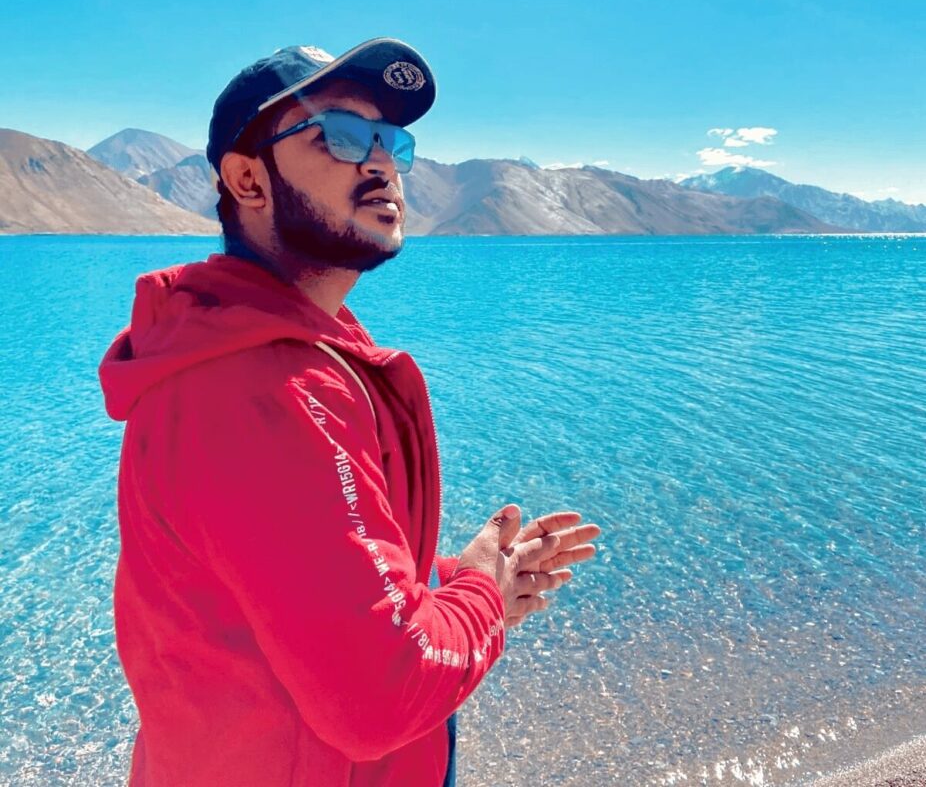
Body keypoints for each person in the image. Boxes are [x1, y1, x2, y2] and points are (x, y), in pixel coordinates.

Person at [99, 38, 600, 787]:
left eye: (393, 142)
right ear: (247, 179)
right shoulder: (266, 389)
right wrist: (482, 596)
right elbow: (381, 697)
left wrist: (451, 584)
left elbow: (280, 589)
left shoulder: (268, 352)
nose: (382, 163)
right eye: (340, 134)